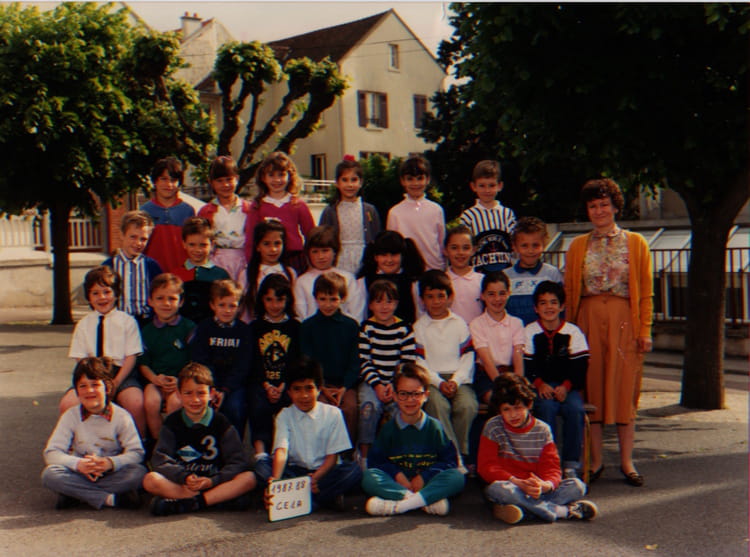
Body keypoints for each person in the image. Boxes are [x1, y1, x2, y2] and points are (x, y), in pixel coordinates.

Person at [564, 178, 653, 487]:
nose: (599, 210)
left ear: (615, 207)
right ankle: (596, 460)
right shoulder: (577, 246)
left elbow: (646, 292)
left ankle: (627, 462)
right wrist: (569, 332)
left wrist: (645, 330)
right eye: (593, 206)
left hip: (624, 319)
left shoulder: (636, 243)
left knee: (625, 389)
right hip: (587, 320)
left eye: (604, 204)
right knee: (592, 390)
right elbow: (571, 292)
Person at [478, 373, 598, 524]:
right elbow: (486, 467)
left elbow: (551, 467)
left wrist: (544, 485)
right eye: (506, 409)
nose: (513, 415)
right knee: (498, 489)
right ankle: (562, 511)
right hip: (511, 485)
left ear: (529, 405)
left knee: (577, 486)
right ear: (499, 410)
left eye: (518, 408)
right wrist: (517, 482)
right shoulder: (493, 427)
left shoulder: (542, 429)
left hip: (536, 489)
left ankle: (524, 511)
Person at [143, 363, 257, 516]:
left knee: (249, 478)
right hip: (185, 484)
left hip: (215, 483)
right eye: (188, 393)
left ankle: (188, 503)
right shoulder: (172, 423)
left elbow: (237, 462)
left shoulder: (221, 422)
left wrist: (213, 481)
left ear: (211, 394)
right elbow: (160, 460)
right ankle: (214, 501)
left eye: (201, 393)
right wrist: (184, 477)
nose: (195, 399)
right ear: (178, 394)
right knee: (150, 480)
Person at [255, 356, 363, 511]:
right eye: (297, 389)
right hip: (295, 472)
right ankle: (317, 500)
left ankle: (301, 499)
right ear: (289, 392)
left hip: (323, 472)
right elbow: (281, 450)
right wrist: (276, 483)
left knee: (353, 471)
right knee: (262, 466)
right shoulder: (284, 415)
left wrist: (315, 478)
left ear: (319, 389)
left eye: (309, 388)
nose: (304, 395)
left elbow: (332, 457)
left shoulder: (333, 414)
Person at [362, 362, 465, 516]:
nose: (410, 400)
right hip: (398, 484)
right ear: (395, 396)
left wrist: (424, 477)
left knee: (457, 477)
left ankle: (398, 506)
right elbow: (376, 462)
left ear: (426, 396)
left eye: (416, 394)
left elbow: (449, 462)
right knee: (368, 477)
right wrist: (397, 475)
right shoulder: (388, 429)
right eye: (403, 394)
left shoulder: (435, 427)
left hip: (427, 483)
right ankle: (423, 502)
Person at [42, 358, 146, 510]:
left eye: (95, 385)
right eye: (83, 386)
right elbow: (51, 453)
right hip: (80, 472)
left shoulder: (121, 416)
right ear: (77, 391)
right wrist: (79, 464)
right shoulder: (71, 416)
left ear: (107, 387)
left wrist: (110, 463)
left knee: (138, 473)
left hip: (111, 473)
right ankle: (109, 499)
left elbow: (137, 453)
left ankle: (76, 494)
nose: (89, 391)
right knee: (50, 475)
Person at [61, 266, 145, 435]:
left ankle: (140, 442)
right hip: (90, 374)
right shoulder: (83, 324)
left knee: (135, 402)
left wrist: (115, 382)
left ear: (116, 294)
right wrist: (93, 381)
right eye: (95, 293)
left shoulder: (127, 321)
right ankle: (74, 441)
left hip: (120, 373)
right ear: (88, 297)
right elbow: (80, 358)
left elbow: (131, 357)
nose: (102, 297)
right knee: (67, 403)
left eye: (107, 292)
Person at [524, 281, 589, 478]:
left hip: (567, 386)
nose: (549, 307)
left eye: (553, 302)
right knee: (546, 408)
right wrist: (539, 384)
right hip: (540, 386)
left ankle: (570, 464)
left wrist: (566, 386)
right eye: (543, 303)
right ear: (536, 308)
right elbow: (528, 366)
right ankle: (548, 462)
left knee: (575, 409)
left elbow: (580, 366)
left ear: (562, 306)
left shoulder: (572, 332)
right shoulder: (530, 331)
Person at [414, 270, 477, 468]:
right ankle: (455, 458)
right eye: (430, 297)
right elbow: (420, 362)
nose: (436, 302)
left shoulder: (459, 323)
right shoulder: (419, 327)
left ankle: (457, 453)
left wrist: (455, 381)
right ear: (422, 300)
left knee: (467, 405)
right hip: (431, 380)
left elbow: (468, 357)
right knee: (437, 405)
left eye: (441, 296)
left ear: (450, 297)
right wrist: (439, 382)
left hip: (458, 379)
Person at [357, 280, 418, 464]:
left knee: (401, 408)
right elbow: (364, 361)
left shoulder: (404, 329)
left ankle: (396, 454)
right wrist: (377, 385)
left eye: (389, 301)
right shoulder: (366, 328)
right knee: (369, 407)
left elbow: (407, 362)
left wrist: (393, 384)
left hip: (396, 382)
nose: (384, 307)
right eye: (379, 301)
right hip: (371, 382)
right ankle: (364, 455)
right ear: (370, 305)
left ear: (396, 303)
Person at [300, 272, 360, 444]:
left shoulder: (351, 326)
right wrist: (322, 386)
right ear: (315, 298)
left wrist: (345, 386)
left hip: (345, 384)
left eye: (333, 299)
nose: (327, 304)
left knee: (349, 408)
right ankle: (322, 451)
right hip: (318, 384)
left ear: (342, 298)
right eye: (323, 299)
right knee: (320, 408)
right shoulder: (308, 326)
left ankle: (346, 453)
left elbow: (355, 361)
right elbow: (307, 361)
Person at [190, 279, 253, 438]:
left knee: (235, 407)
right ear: (212, 305)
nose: (227, 310)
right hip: (209, 383)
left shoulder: (244, 331)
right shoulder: (204, 328)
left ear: (239, 307)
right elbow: (201, 359)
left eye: (232, 306)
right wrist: (213, 388)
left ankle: (234, 447)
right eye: (222, 305)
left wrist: (225, 389)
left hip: (234, 385)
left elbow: (243, 365)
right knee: (203, 406)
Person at [138, 273, 195, 440]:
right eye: (160, 298)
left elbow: (194, 361)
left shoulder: (188, 327)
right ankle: (159, 444)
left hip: (181, 380)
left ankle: (176, 443)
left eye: (172, 298)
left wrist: (181, 380)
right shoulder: (147, 331)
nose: (166, 303)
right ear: (150, 301)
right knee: (150, 402)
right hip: (156, 380)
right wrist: (155, 379)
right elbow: (143, 363)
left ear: (181, 302)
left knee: (175, 403)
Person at [248, 273, 300, 457]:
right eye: (269, 299)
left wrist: (283, 385)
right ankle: (260, 453)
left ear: (288, 300)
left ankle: (284, 452)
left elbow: (295, 360)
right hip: (261, 382)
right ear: (261, 300)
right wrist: (267, 385)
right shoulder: (254, 327)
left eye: (280, 300)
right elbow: (253, 361)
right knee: (257, 403)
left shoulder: (295, 327)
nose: (274, 305)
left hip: (286, 382)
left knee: (288, 406)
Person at [245, 152, 314, 273]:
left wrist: (311, 261)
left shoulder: (298, 204)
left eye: (281, 175)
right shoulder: (257, 206)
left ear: (290, 176)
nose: (277, 180)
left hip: (294, 259)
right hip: (266, 260)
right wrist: (251, 264)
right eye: (271, 175)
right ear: (263, 178)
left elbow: (311, 235)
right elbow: (251, 238)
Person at [469, 271, 525, 405]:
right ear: (482, 296)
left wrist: (518, 383)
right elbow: (486, 360)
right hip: (487, 375)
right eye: (491, 294)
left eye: (502, 293)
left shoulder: (516, 323)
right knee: (498, 398)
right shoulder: (476, 324)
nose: (497, 299)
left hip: (511, 373)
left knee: (520, 398)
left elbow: (518, 354)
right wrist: (501, 386)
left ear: (509, 293)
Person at [319, 156, 381, 274]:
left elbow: (376, 238)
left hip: (364, 260)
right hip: (339, 261)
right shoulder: (330, 211)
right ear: (337, 183)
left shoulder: (369, 210)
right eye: (345, 180)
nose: (350, 185)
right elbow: (322, 240)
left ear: (361, 182)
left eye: (354, 180)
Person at [102, 210, 162, 327]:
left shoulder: (152, 266)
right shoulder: (109, 266)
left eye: (143, 239)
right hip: (117, 322)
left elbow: (160, 294)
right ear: (122, 235)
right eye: (133, 237)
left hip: (145, 322)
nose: (138, 243)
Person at [197, 155, 252, 285]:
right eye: (220, 181)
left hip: (243, 260)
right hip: (216, 260)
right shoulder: (206, 211)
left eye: (229, 179)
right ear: (211, 182)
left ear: (237, 179)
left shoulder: (248, 209)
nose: (225, 185)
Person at [293, 225, 365, 322]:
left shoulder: (348, 278)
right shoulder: (302, 282)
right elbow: (300, 314)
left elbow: (356, 311)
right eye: (315, 252)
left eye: (325, 251)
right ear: (308, 253)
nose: (320, 256)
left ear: (335, 251)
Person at [386, 155, 445, 270]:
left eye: (419, 178)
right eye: (410, 179)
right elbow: (392, 246)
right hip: (407, 270)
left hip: (434, 267)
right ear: (402, 181)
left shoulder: (436, 209)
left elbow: (441, 242)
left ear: (427, 179)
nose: (415, 183)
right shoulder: (395, 212)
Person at [459, 160, 516, 273]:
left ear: (500, 186)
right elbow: (464, 245)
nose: (487, 190)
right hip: (479, 272)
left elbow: (514, 243)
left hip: (504, 271)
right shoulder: (468, 216)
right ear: (473, 186)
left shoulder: (507, 214)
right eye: (482, 186)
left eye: (491, 185)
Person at [504, 216, 563, 325]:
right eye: (524, 246)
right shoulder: (505, 277)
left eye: (535, 245)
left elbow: (561, 309)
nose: (530, 251)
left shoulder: (552, 274)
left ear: (544, 244)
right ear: (514, 247)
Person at [358, 230, 425, 325]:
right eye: (384, 255)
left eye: (394, 255)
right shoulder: (364, 281)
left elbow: (419, 313)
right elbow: (361, 314)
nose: (389, 260)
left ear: (402, 256)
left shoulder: (413, 282)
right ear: (375, 257)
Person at [171, 217, 230, 324]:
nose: (197, 250)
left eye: (203, 245)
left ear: (212, 245)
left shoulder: (221, 275)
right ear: (184, 244)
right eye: (192, 244)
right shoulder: (175, 275)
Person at [141, 157, 195, 272]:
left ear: (179, 183)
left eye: (173, 180)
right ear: (155, 181)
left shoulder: (188, 211)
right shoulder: (144, 212)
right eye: (163, 179)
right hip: (153, 274)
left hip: (183, 274)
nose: (168, 184)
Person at [243, 219, 296, 321]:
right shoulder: (247, 273)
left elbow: (293, 304)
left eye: (277, 243)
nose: (273, 249)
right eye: (266, 244)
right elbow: (244, 309)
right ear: (257, 246)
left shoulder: (290, 273)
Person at [443, 224, 483, 326]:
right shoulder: (441, 281)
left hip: (477, 334)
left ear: (473, 250)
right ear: (445, 250)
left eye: (466, 248)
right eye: (454, 248)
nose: (460, 252)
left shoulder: (482, 281)